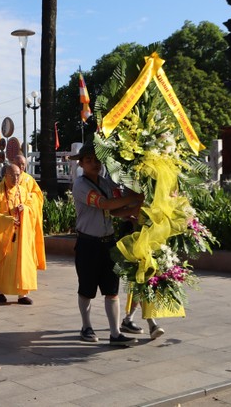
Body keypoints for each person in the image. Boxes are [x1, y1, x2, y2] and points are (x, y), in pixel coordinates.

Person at [72, 144, 144, 347]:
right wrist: (135, 198)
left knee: (111, 289)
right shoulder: (80, 185)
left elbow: (114, 211)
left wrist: (136, 209)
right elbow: (104, 204)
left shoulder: (104, 182)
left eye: (96, 160)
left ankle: (115, 333)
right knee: (86, 288)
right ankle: (86, 326)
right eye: (89, 160)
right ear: (81, 163)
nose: (94, 164)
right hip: (88, 244)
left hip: (108, 243)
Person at [0, 163, 45, 305]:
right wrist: (8, 219)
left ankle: (22, 294)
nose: (16, 178)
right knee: (4, 265)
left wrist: (24, 208)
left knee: (23, 263)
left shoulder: (23, 191)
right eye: (12, 175)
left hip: (22, 235)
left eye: (18, 175)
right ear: (5, 176)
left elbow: (32, 208)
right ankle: (0, 291)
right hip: (5, 235)